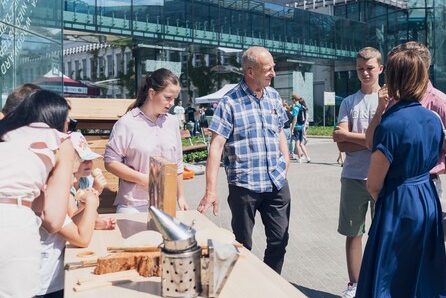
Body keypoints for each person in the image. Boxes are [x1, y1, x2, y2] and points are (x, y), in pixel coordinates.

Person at [356, 49, 446, 297]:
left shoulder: (390, 125)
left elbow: (374, 184)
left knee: (389, 274)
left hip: (398, 202)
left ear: (393, 79)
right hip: (427, 198)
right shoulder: (433, 119)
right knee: (422, 273)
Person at [197, 46, 291, 274]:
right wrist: (211, 190)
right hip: (244, 187)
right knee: (243, 245)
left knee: (279, 241)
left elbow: (280, 131)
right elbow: (216, 146)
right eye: (268, 69)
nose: (274, 73)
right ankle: (246, 286)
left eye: (273, 68)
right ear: (250, 72)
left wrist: (285, 161)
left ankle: (269, 287)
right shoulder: (229, 103)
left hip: (276, 183)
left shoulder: (274, 97)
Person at [366, 41, 446, 198]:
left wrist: (416, 172)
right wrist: (379, 110)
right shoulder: (391, 99)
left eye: (396, 69)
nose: (390, 75)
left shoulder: (440, 103)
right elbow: (371, 143)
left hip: (422, 185)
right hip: (385, 183)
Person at [0, 89, 75, 297]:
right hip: (12, 226)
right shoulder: (60, 142)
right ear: (59, 119)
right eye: (70, 122)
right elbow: (53, 221)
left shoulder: (4, 132)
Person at [332, 47, 383, 298]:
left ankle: (377, 283)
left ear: (380, 69)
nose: (364, 72)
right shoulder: (349, 102)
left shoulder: (388, 100)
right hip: (352, 176)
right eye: (360, 68)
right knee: (353, 233)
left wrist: (353, 138)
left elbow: (384, 141)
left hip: (382, 177)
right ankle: (355, 284)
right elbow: (341, 143)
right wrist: (370, 140)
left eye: (370, 68)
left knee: (381, 233)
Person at [104, 68, 189, 213]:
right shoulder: (127, 123)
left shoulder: (172, 122)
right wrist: (144, 179)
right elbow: (110, 162)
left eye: (174, 98)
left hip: (165, 203)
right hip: (133, 205)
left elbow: (178, 163)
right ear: (151, 93)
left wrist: (181, 197)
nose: (172, 103)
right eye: (168, 98)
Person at [37, 135, 101, 297]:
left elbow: (72, 224)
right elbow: (81, 238)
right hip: (43, 285)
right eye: (71, 175)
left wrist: (86, 207)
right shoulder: (45, 203)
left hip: (54, 279)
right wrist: (92, 202)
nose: (73, 180)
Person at [68, 132, 116, 230]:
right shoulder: (66, 187)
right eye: (84, 159)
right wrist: (95, 191)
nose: (89, 162)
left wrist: (97, 222)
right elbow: (71, 221)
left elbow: (93, 214)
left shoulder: (86, 180)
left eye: (90, 158)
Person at [291, 94, 311, 163]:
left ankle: (299, 158)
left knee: (297, 143)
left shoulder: (295, 108)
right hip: (302, 126)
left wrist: (292, 128)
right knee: (301, 143)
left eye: (292, 99)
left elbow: (295, 119)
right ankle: (307, 157)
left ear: (294, 99)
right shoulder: (302, 106)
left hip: (296, 127)